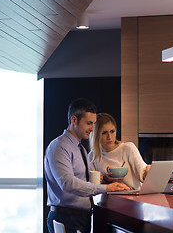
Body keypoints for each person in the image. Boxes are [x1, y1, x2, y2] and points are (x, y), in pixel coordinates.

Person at [44, 99, 129, 233]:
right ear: (74, 120)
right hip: (66, 219)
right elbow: (68, 183)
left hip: (80, 219)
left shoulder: (80, 148)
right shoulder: (59, 147)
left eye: (94, 124)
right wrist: (106, 188)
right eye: (89, 123)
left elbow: (81, 181)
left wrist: (100, 178)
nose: (92, 128)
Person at [88, 113, 151, 190]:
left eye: (112, 131)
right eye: (104, 133)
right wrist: (104, 180)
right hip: (107, 199)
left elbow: (142, 170)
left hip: (133, 196)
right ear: (96, 135)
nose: (109, 137)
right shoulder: (92, 156)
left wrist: (148, 171)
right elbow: (93, 187)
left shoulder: (128, 148)